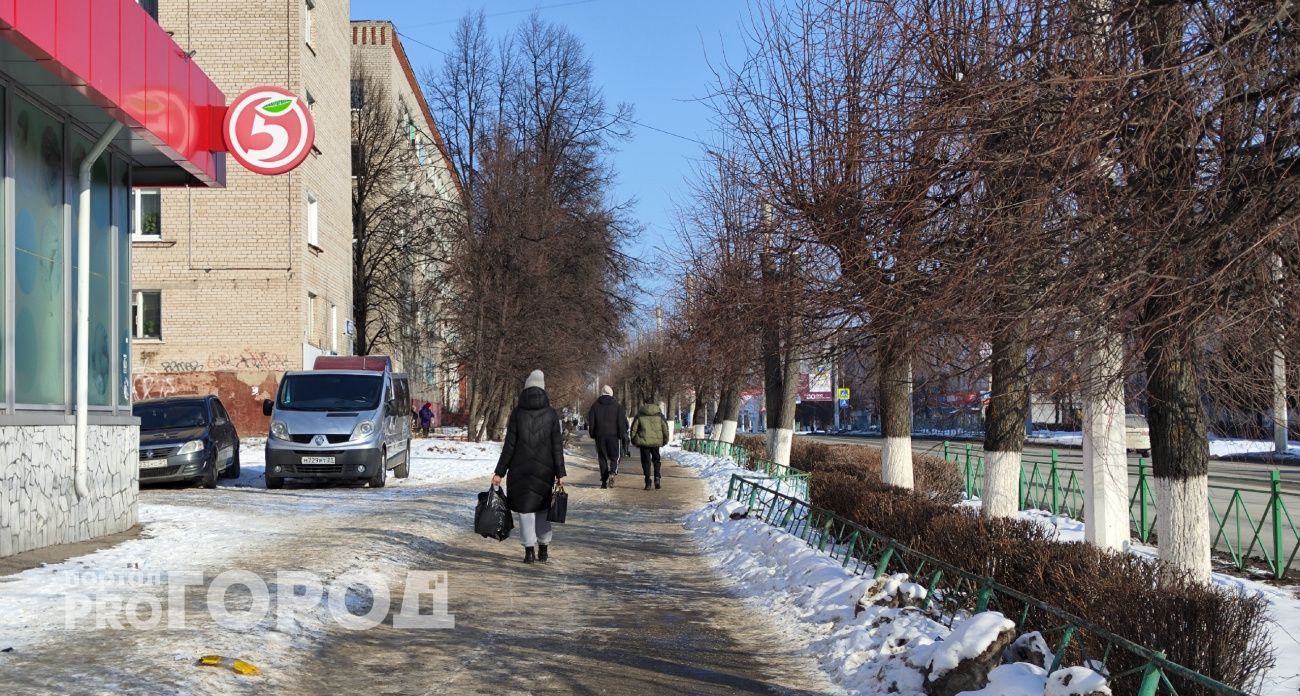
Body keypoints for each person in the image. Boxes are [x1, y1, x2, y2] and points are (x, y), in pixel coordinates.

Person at [491, 370, 566, 564]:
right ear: (543, 388)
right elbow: (557, 446)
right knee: (542, 509)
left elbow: (510, 446)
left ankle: (529, 552)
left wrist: (500, 472)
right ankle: (544, 547)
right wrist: (560, 473)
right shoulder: (551, 414)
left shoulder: (517, 413)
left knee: (525, 511)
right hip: (544, 470)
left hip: (520, 470)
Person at [587, 385, 628, 489]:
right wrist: (621, 434)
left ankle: (604, 481)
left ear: (602, 393)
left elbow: (591, 421)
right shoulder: (618, 406)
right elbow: (621, 422)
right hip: (614, 436)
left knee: (602, 458)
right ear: (611, 394)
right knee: (615, 456)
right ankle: (613, 472)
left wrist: (593, 434)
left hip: (600, 436)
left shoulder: (595, 406)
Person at [630, 397, 670, 491]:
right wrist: (665, 440)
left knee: (646, 462)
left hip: (643, 442)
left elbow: (634, 428)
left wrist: (633, 440)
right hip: (656, 442)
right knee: (656, 460)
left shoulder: (640, 414)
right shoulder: (659, 414)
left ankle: (648, 481)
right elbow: (665, 428)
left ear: (645, 403)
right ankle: (657, 478)